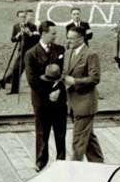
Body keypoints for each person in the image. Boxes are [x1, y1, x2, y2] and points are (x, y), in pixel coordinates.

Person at [24, 21, 66, 171]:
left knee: (60, 132)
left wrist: (59, 91)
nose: (56, 36)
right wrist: (49, 94)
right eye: (53, 33)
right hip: (41, 100)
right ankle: (41, 162)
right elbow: (32, 80)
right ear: (44, 34)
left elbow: (64, 73)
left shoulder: (61, 50)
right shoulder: (31, 54)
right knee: (42, 132)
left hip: (60, 99)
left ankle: (61, 162)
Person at [63, 26, 104, 162]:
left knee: (78, 141)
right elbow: (65, 73)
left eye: (71, 38)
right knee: (88, 138)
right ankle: (99, 164)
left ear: (81, 39)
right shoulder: (68, 53)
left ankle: (73, 170)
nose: (68, 41)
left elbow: (95, 78)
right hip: (73, 104)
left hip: (85, 104)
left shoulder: (90, 55)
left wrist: (75, 81)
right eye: (67, 38)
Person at [1, 9, 39, 95]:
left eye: (24, 17)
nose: (23, 18)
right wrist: (18, 35)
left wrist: (30, 33)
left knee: (32, 71)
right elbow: (13, 39)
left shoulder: (32, 26)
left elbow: (37, 39)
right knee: (16, 70)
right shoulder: (16, 27)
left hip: (30, 52)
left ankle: (36, 89)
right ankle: (14, 90)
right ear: (18, 18)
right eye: (21, 17)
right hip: (21, 52)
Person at [38, 64, 68, 164]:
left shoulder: (62, 86)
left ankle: (61, 160)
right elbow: (41, 98)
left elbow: (65, 99)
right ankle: (41, 161)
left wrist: (59, 94)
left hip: (59, 114)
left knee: (60, 137)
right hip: (45, 113)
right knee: (43, 137)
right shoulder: (42, 84)